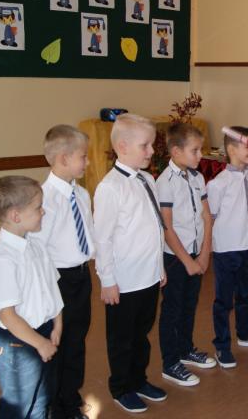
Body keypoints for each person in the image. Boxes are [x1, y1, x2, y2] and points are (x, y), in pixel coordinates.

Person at [93, 114, 167, 413]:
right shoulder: (110, 187)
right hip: (123, 281)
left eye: (151, 145)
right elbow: (103, 239)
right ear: (122, 146)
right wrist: (107, 280)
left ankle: (138, 379)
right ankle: (121, 387)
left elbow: (155, 227)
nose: (151, 151)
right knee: (122, 338)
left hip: (148, 275)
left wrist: (159, 267)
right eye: (145, 145)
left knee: (141, 335)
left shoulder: (147, 179)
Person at [0, 176, 63, 419]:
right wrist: (40, 343)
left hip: (44, 331)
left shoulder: (35, 245)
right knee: (19, 405)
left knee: (43, 397)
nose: (43, 211)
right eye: (38, 207)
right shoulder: (2, 260)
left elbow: (51, 288)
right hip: (18, 342)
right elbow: (8, 315)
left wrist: (57, 323)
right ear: (16, 215)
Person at [28, 125, 95, 419]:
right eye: (84, 156)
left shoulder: (82, 194)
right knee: (59, 341)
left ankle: (70, 397)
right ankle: (56, 405)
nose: (87, 162)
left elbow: (88, 234)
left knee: (77, 339)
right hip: (57, 279)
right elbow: (38, 250)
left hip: (81, 275)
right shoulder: (44, 199)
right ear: (64, 158)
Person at [206, 126, 248, 369]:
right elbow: (210, 218)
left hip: (247, 246)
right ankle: (222, 345)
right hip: (226, 249)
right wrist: (208, 249)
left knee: (244, 293)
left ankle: (246, 333)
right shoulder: (218, 184)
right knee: (224, 300)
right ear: (231, 149)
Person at [156, 123, 216, 388]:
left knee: (190, 305)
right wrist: (187, 260)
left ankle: (185, 349)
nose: (200, 155)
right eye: (195, 150)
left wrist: (204, 253)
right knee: (173, 308)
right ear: (176, 151)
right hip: (175, 257)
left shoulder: (198, 177)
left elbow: (207, 216)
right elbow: (167, 227)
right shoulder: (164, 182)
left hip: (196, 253)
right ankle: (170, 363)